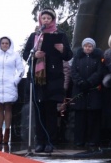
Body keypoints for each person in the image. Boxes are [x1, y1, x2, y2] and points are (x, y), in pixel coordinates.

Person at [23, 8, 73, 153]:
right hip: (38, 79)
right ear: (40, 20)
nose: (45, 20)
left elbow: (68, 55)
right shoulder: (35, 36)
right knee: (39, 111)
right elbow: (25, 54)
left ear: (52, 20)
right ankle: (40, 142)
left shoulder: (60, 35)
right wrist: (35, 54)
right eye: (43, 18)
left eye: (48, 18)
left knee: (51, 112)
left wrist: (62, 49)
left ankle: (50, 141)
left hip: (54, 78)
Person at [0, 37, 24, 145]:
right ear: (0, 44)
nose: (4, 45)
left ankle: (7, 132)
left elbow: (21, 70)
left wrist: (15, 80)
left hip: (9, 84)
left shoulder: (15, 55)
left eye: (6, 43)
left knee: (8, 108)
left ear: (10, 44)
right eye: (2, 43)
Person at [70, 38, 104, 148]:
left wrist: (89, 82)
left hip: (93, 90)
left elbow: (99, 72)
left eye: (90, 46)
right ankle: (79, 140)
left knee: (93, 117)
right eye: (86, 46)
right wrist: (80, 82)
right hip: (80, 90)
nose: (88, 48)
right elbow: (73, 72)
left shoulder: (98, 58)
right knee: (80, 117)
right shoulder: (77, 58)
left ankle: (93, 140)